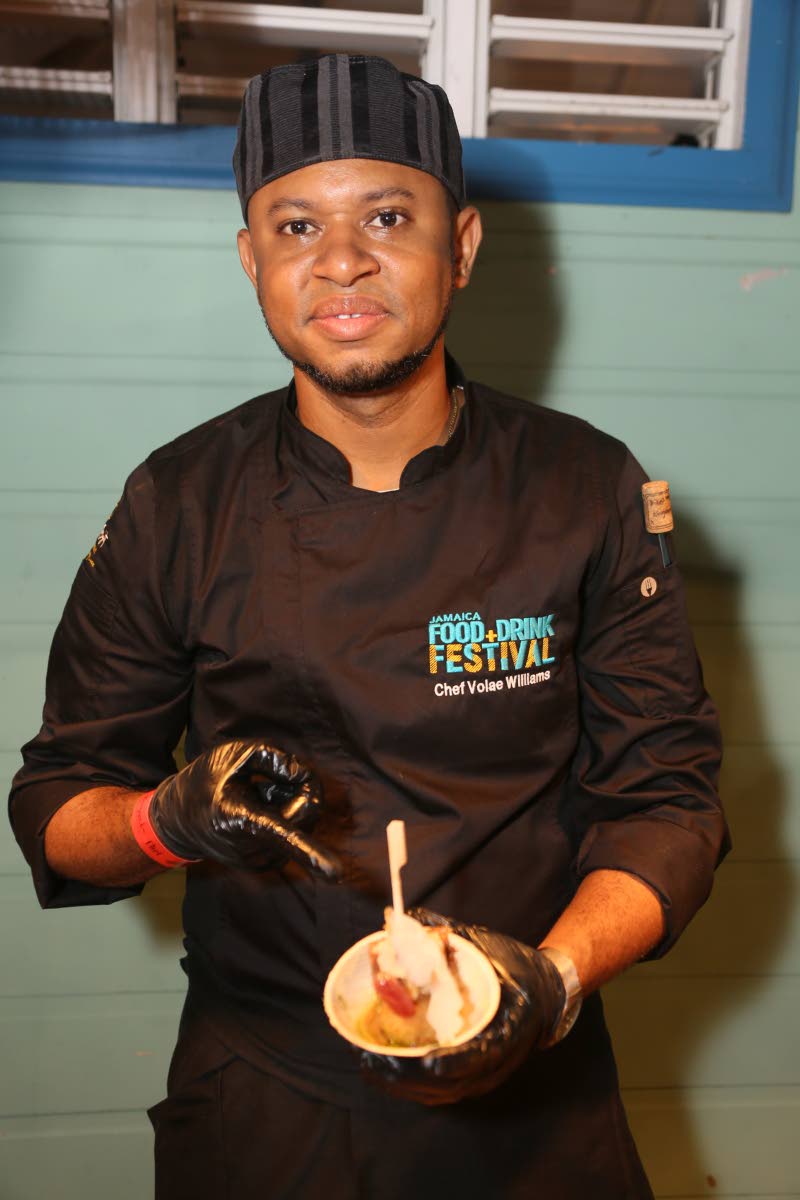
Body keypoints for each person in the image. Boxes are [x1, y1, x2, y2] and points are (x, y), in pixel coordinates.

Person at [8, 54, 728, 1199]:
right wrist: (165, 820)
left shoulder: (584, 486)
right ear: (251, 260)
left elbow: (667, 801)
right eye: (294, 225)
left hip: (534, 1085)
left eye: (387, 215)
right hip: (264, 1090)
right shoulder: (177, 500)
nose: (339, 259)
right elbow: (55, 804)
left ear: (463, 246)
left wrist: (544, 987)